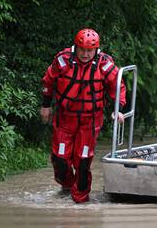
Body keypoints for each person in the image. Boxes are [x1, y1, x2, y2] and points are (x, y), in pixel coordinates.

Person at [40, 28, 126, 203]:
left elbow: (118, 87)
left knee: (83, 159)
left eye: (90, 50)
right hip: (65, 118)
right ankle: (67, 184)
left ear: (96, 50)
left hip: (90, 120)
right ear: (76, 47)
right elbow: (48, 81)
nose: (86, 54)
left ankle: (80, 200)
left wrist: (119, 109)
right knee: (60, 158)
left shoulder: (104, 64)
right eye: (82, 50)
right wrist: (46, 106)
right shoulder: (63, 61)